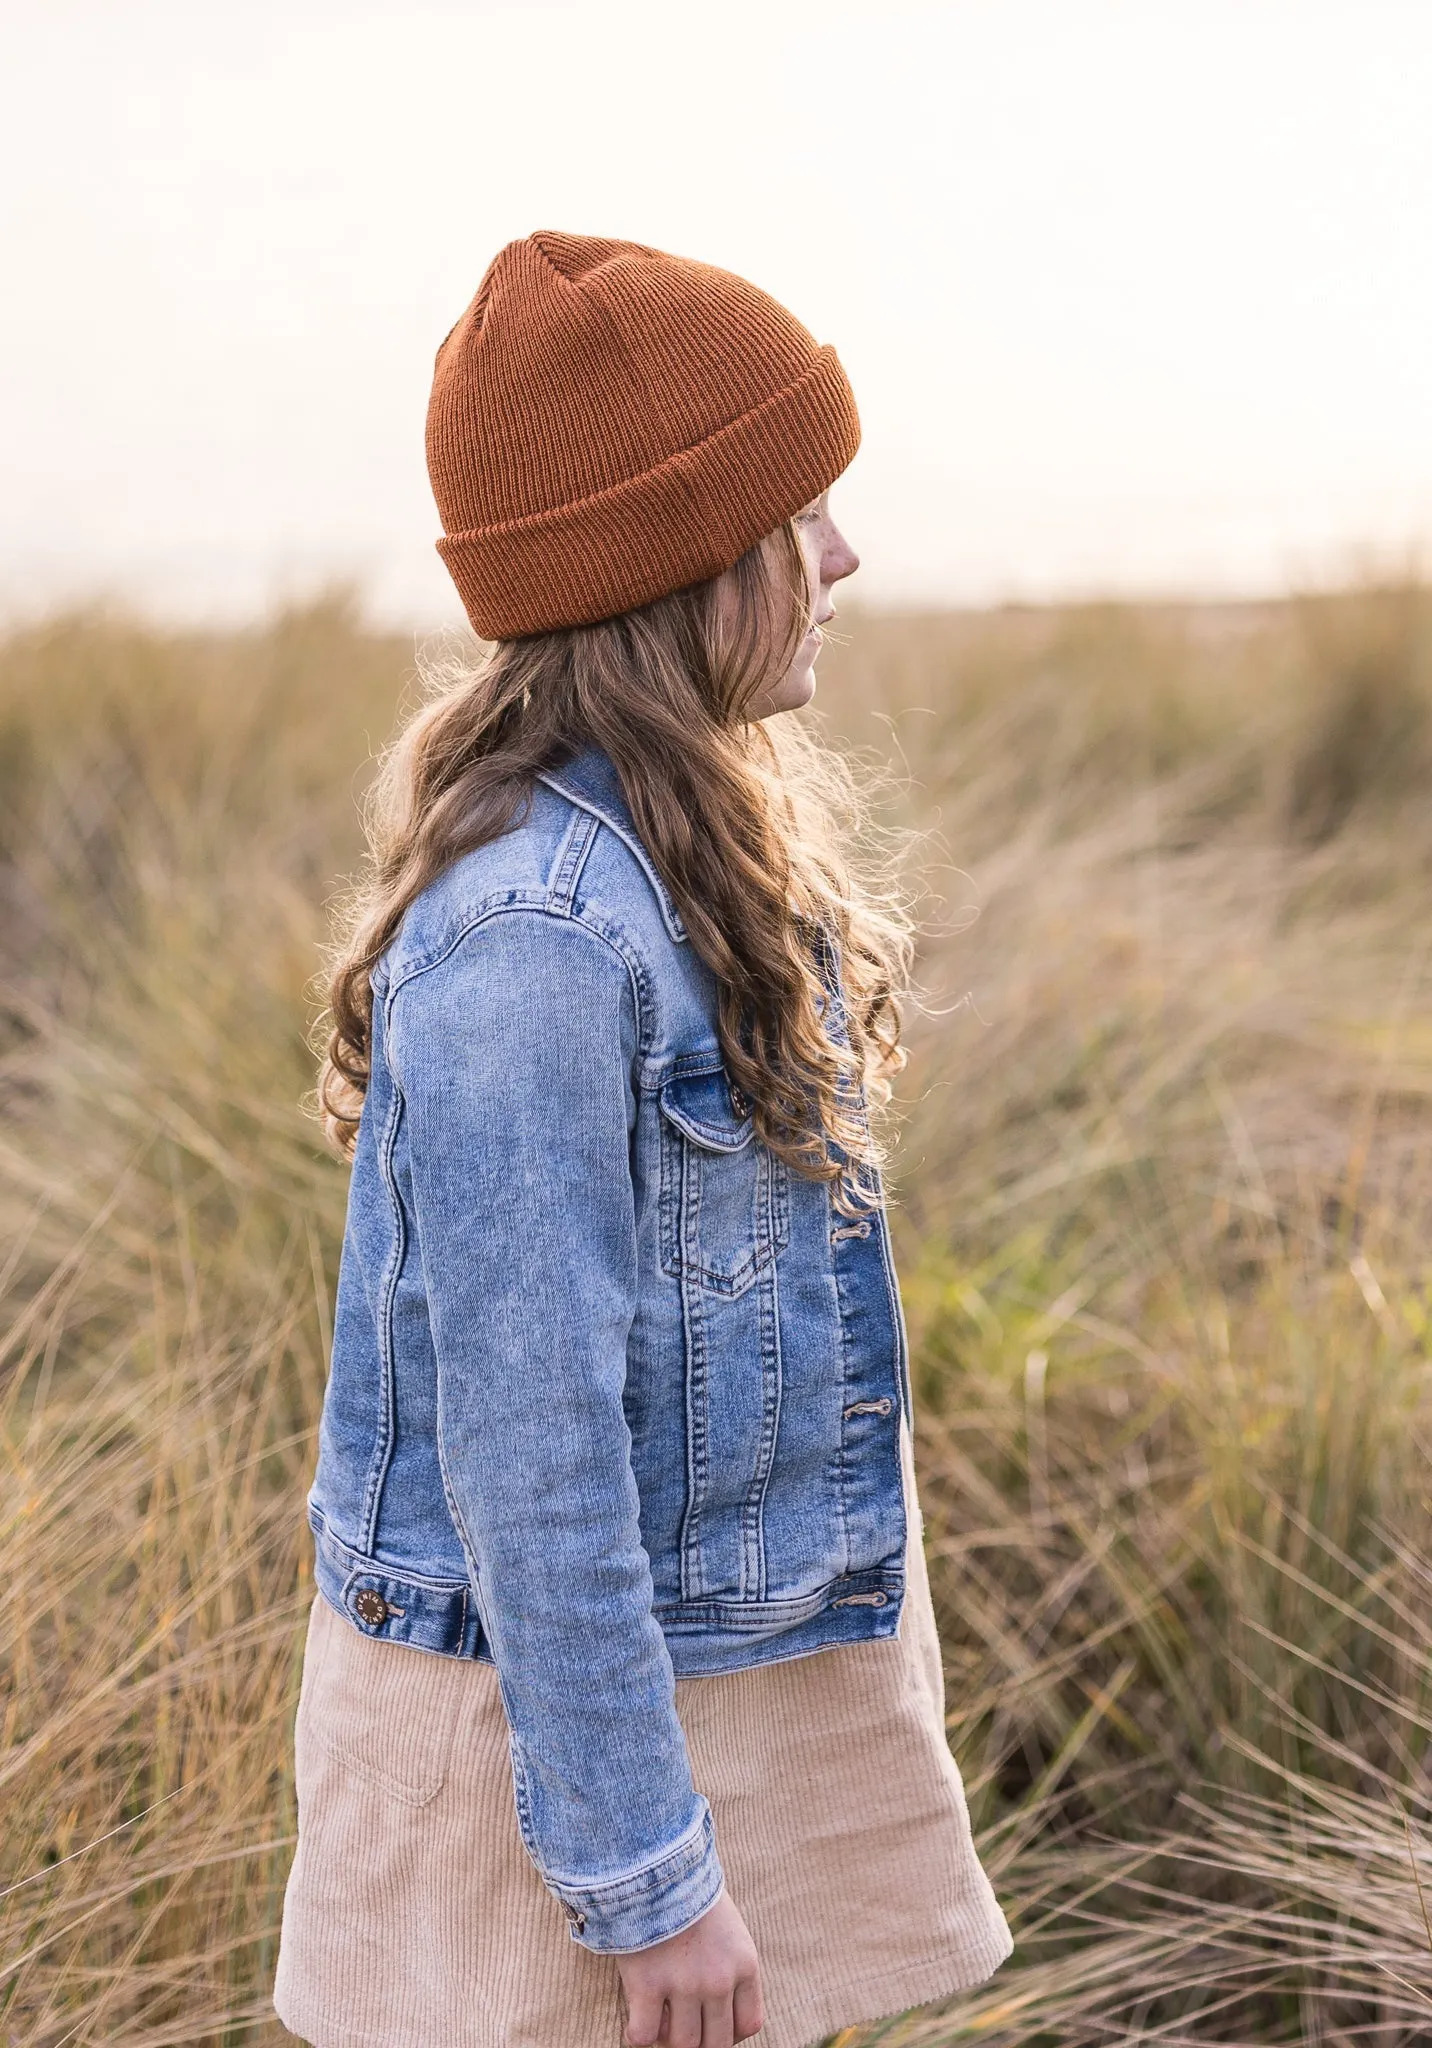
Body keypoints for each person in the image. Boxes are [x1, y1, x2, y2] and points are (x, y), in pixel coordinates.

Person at [272, 231, 1011, 2048]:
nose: (844, 554)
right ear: (682, 563)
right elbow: (532, 1450)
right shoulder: (531, 937)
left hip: (719, 1686)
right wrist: (647, 1882)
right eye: (801, 512)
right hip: (568, 1766)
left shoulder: (693, 861)